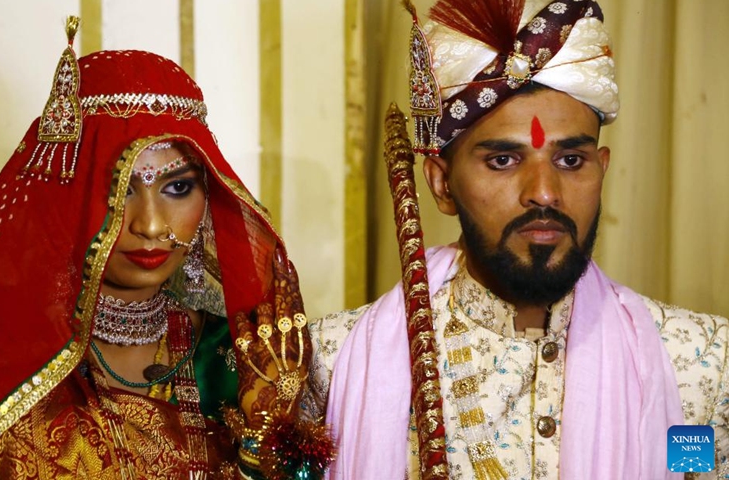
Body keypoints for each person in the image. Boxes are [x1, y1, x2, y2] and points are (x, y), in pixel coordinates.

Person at [304, 0, 729, 479]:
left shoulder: (697, 364)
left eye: (570, 161)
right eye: (503, 161)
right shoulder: (332, 361)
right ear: (442, 184)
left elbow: (688, 472)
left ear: (602, 170)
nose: (544, 193)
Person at [0, 17, 332, 480]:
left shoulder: (242, 359)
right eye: (117, 189)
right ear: (67, 198)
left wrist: (266, 437)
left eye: (178, 187)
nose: (151, 224)